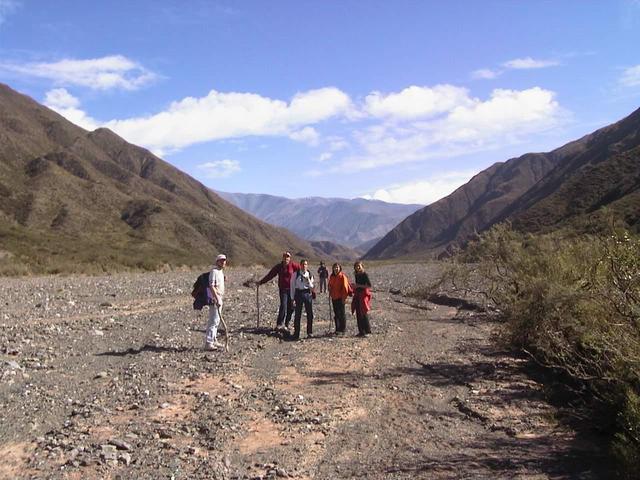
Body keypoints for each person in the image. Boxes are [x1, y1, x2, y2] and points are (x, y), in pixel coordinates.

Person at [257, 251, 301, 331]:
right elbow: (270, 275)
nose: (286, 258)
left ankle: (287, 323)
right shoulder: (279, 266)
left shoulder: (293, 265)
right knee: (283, 305)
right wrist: (261, 282)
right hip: (283, 289)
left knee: (291, 307)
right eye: (284, 256)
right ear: (282, 257)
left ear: (290, 258)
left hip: (292, 289)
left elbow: (301, 270)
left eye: (287, 257)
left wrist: (302, 281)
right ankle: (279, 324)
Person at [205, 254, 227, 350]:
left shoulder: (220, 272)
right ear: (217, 261)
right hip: (215, 298)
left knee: (217, 320)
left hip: (219, 297)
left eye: (224, 260)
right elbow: (211, 286)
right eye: (221, 260)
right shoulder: (214, 271)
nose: (223, 262)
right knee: (213, 320)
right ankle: (208, 343)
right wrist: (216, 298)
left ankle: (213, 340)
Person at [290, 259, 315, 340]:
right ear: (300, 265)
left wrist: (308, 280)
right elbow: (292, 286)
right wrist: (292, 298)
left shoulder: (310, 274)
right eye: (303, 264)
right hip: (299, 294)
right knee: (298, 314)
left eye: (306, 264)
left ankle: (309, 332)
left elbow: (312, 287)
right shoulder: (295, 274)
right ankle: (296, 333)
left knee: (310, 314)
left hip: (307, 294)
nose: (304, 266)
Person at [328, 263, 352, 334]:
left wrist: (344, 298)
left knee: (342, 313)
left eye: (337, 267)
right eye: (335, 267)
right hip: (334, 297)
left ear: (340, 268)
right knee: (336, 313)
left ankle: (343, 329)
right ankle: (337, 329)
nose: (336, 269)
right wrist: (329, 288)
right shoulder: (332, 276)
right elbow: (330, 284)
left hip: (340, 297)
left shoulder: (342, 276)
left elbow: (345, 288)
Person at [351, 261, 372, 337]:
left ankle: (367, 331)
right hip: (358, 294)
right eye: (356, 266)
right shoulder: (356, 275)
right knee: (358, 313)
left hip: (363, 295)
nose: (358, 267)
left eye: (359, 266)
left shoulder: (364, 274)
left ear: (362, 266)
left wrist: (358, 286)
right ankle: (361, 331)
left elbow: (369, 286)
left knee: (363, 312)